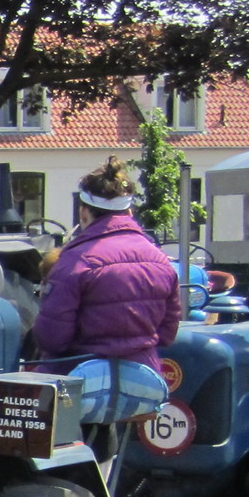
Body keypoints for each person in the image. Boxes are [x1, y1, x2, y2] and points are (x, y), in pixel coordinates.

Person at [32, 160, 181, 422]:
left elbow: (52, 338)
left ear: (84, 212)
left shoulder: (73, 262)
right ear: (129, 211)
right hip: (142, 386)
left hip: (78, 387)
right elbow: (167, 334)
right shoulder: (161, 261)